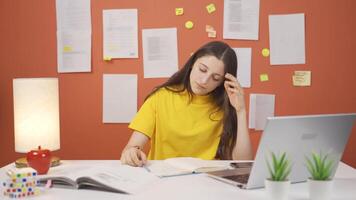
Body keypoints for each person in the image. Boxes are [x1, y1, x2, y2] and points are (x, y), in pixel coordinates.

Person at [120, 41, 253, 167]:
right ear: (192, 64)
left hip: (207, 183)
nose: (204, 80)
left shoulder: (225, 108)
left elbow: (244, 163)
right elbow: (131, 147)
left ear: (222, 82)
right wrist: (132, 152)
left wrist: (240, 111)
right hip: (163, 182)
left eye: (215, 78)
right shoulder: (160, 97)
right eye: (202, 69)